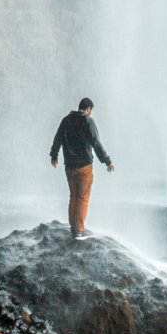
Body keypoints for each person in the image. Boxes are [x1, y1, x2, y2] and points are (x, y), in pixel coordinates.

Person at [49, 97, 114, 239]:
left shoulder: (66, 120)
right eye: (91, 111)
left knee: (73, 197)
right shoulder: (88, 121)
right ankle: (78, 231)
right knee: (82, 198)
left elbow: (57, 138)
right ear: (88, 109)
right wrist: (107, 161)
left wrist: (54, 155)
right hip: (84, 166)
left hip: (69, 167)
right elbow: (96, 143)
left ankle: (73, 227)